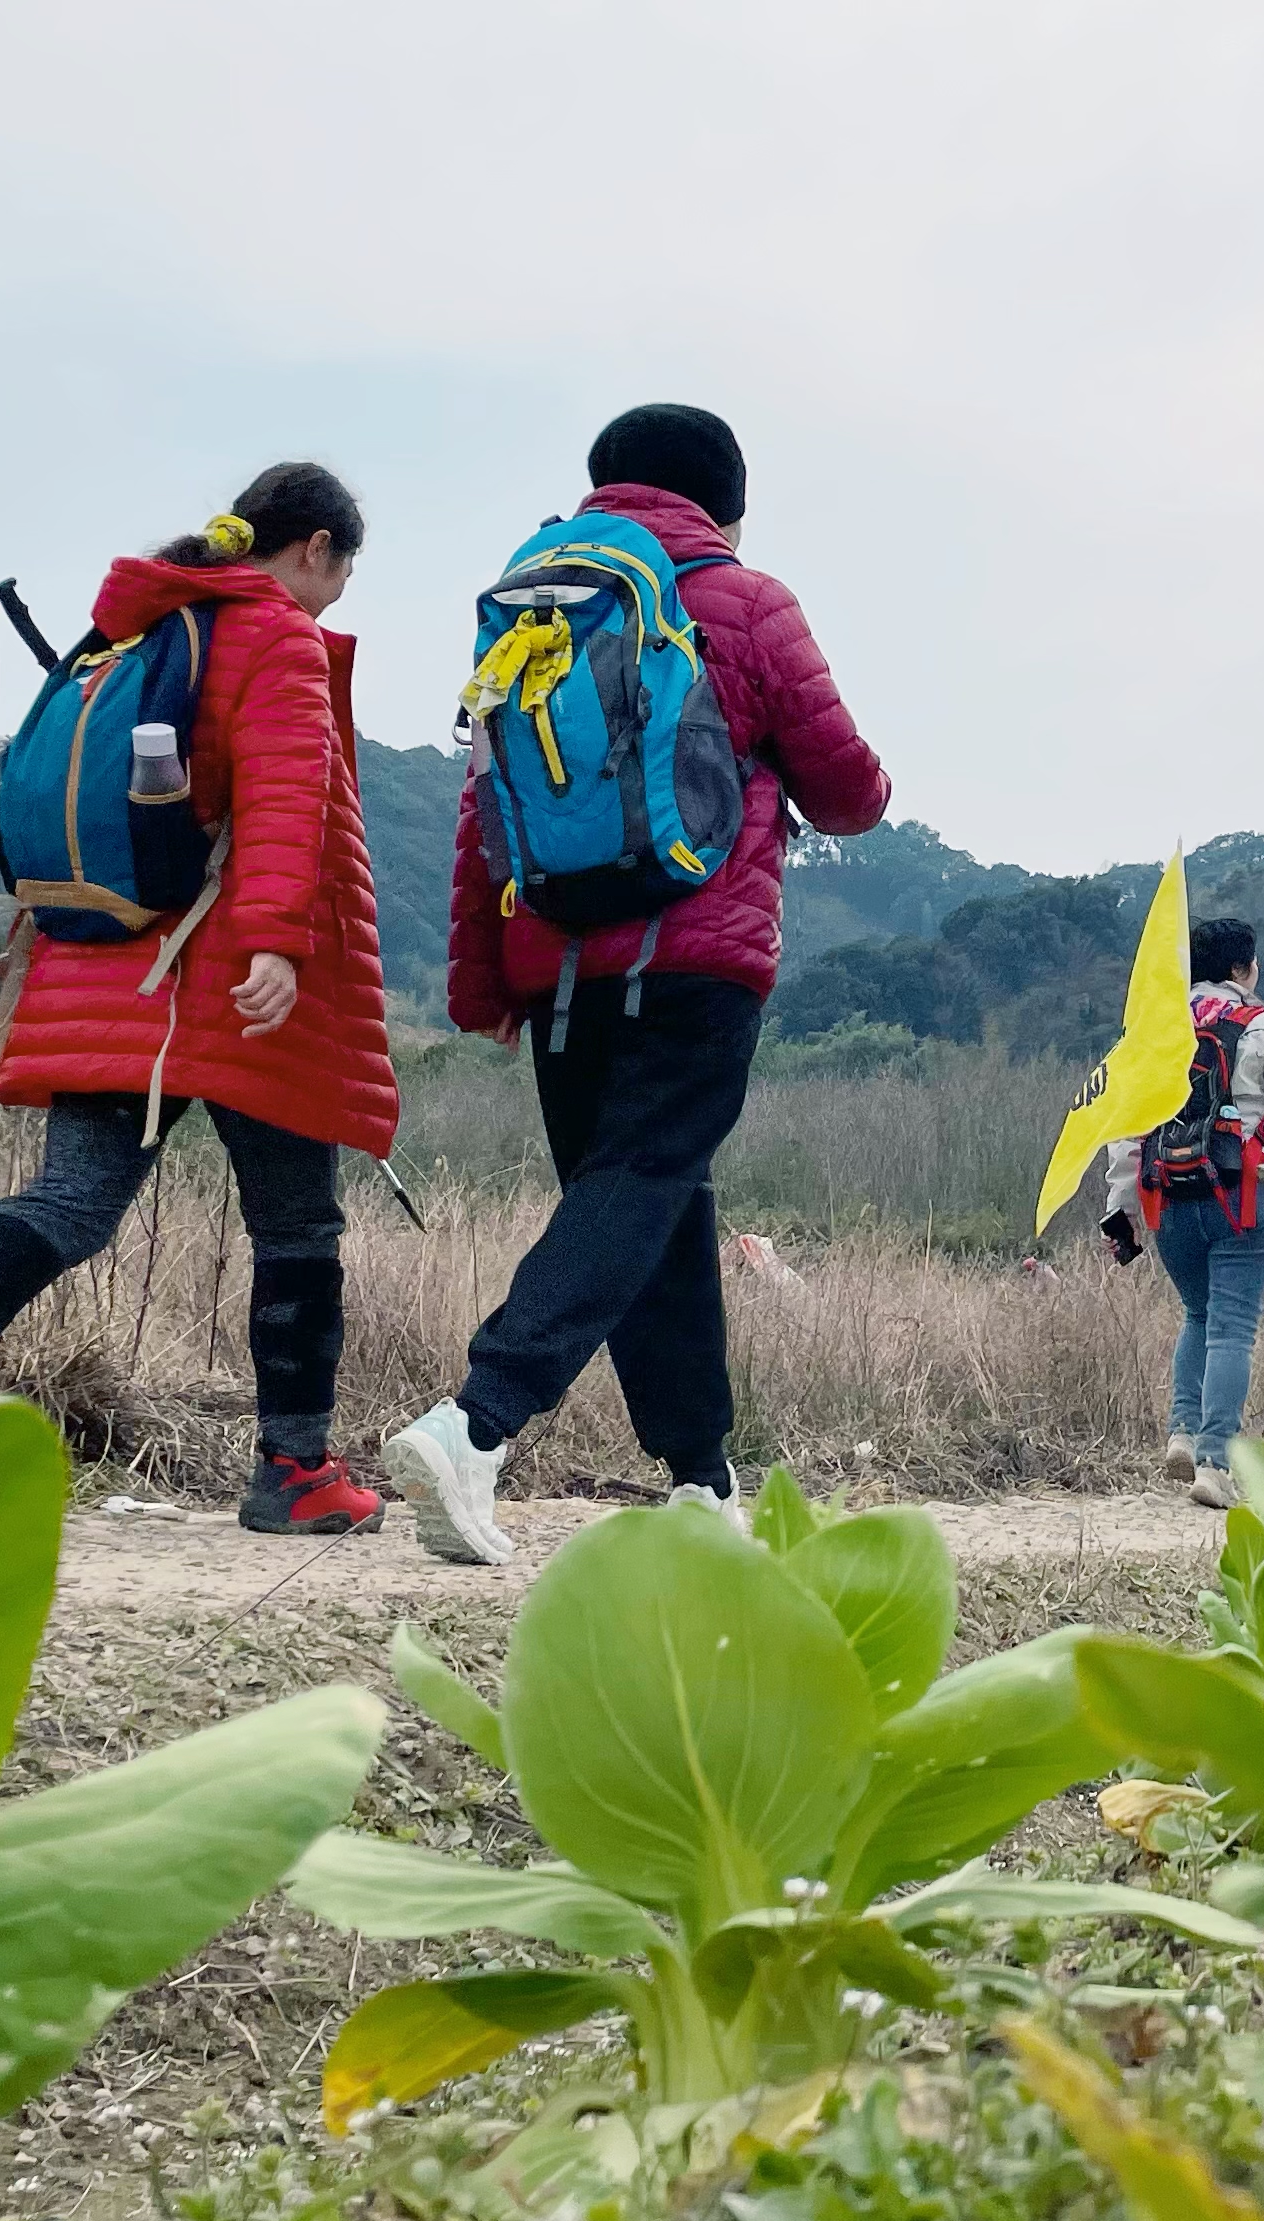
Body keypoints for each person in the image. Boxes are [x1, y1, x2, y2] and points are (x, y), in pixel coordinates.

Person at [388, 404, 890, 1563]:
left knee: (654, 1204)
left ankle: (701, 1482)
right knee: (640, 1191)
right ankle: (476, 1423)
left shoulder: (534, 609)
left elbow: (482, 806)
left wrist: (483, 984)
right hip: (698, 963)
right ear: (728, 506)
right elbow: (848, 791)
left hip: (557, 964)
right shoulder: (746, 602)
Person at [0, 463, 400, 1536]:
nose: (335, 596)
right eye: (341, 573)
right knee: (297, 1225)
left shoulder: (129, 629)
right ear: (315, 549)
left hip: (101, 963)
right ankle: (296, 1471)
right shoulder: (273, 634)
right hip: (231, 975)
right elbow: (288, 798)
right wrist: (278, 943)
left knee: (69, 1204)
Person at [1097, 917, 1264, 1510]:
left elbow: (1126, 1127)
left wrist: (1121, 1205)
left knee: (1198, 1314)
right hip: (1246, 1197)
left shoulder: (1155, 1030)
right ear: (1240, 968)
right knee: (1232, 1326)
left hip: (1169, 1198)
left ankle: (1182, 1431)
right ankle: (1215, 1462)